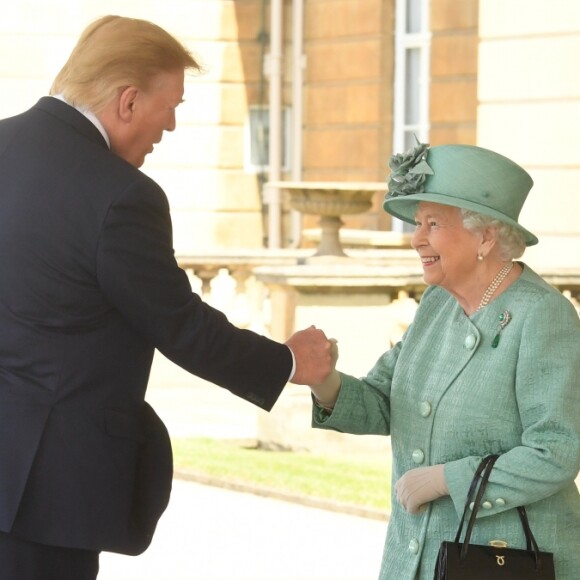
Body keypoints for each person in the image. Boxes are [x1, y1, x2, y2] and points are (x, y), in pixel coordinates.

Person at [0, 15, 333, 579]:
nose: (173, 126)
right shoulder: (122, 195)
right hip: (49, 494)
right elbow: (180, 325)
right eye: (173, 104)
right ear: (128, 101)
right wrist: (291, 361)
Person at [308, 142, 580, 578]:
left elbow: (556, 451)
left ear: (486, 236)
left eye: (433, 224)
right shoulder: (437, 303)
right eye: (418, 223)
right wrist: (323, 381)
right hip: (414, 557)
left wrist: (448, 480)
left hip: (502, 562)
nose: (417, 239)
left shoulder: (542, 315)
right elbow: (382, 399)